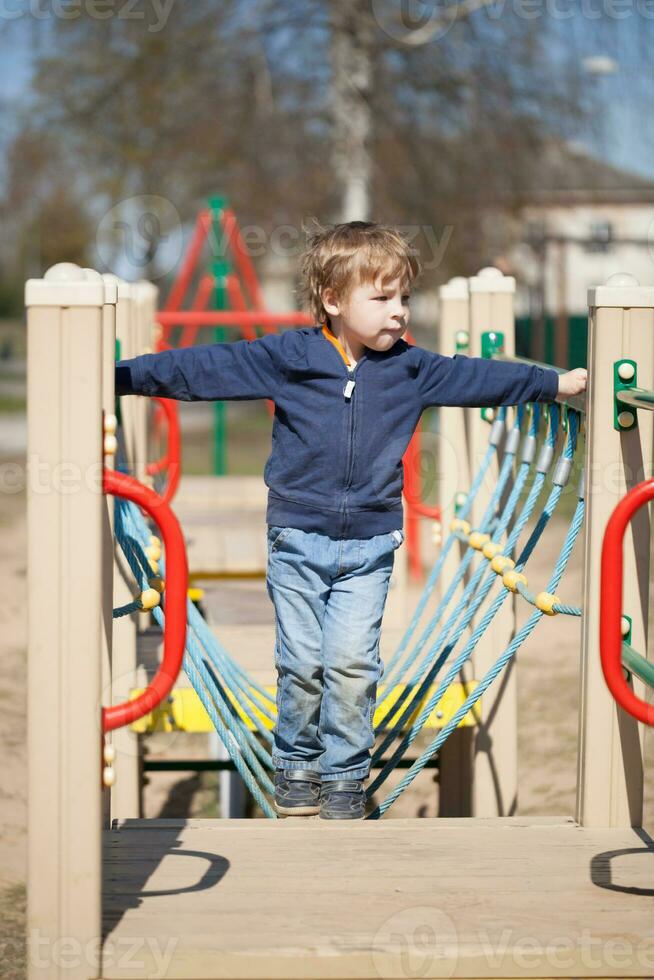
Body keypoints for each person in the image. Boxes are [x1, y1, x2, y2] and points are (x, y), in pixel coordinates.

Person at [115, 220, 588, 820]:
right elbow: (205, 370)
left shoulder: (413, 369)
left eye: (405, 298)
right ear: (333, 301)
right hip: (296, 539)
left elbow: (480, 376)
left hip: (369, 546)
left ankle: (344, 775)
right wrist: (119, 378)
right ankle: (297, 764)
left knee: (352, 663)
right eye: (382, 297)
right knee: (301, 662)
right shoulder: (290, 357)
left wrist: (551, 383)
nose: (398, 312)